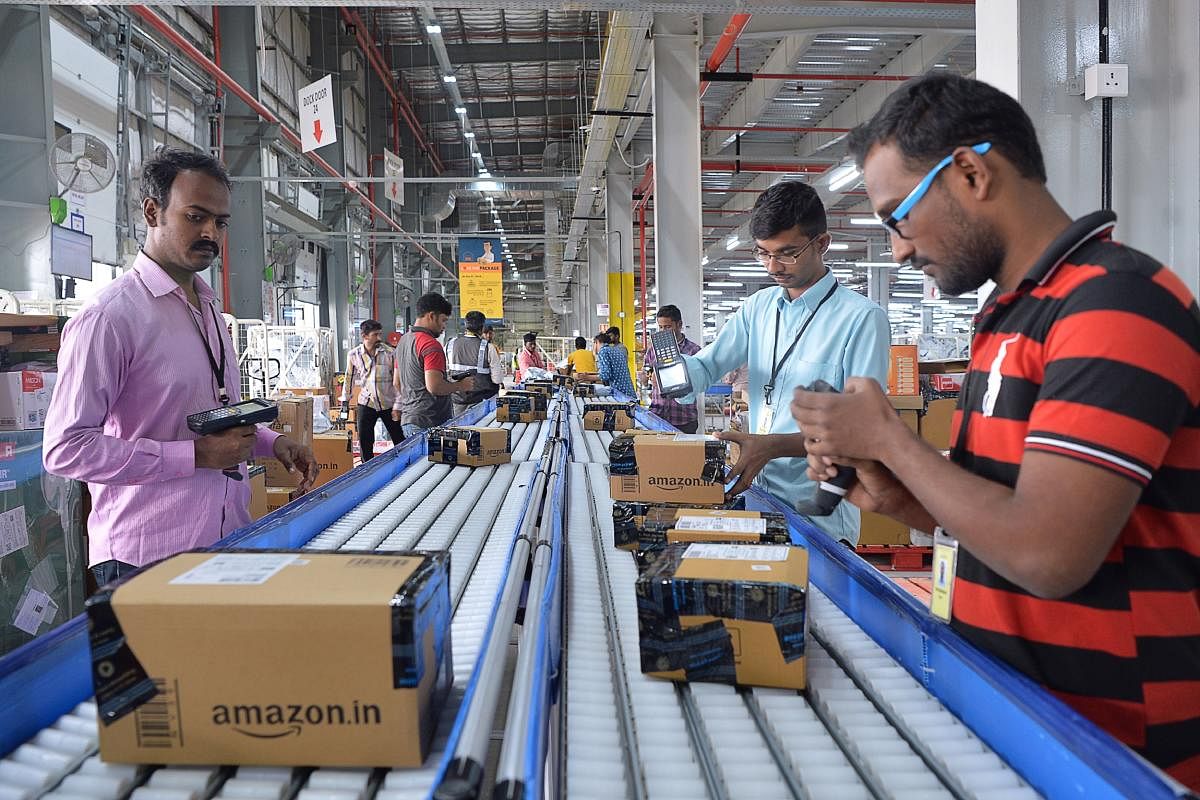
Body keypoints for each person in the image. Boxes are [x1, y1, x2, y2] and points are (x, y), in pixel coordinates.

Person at [790, 74, 1200, 788]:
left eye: (898, 218)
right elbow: (1003, 516)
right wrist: (899, 494)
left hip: (1114, 755)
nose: (897, 252)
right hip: (1021, 720)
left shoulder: (1117, 304)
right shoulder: (1008, 318)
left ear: (972, 174)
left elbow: (1048, 552)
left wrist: (892, 439)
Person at [43, 148, 318, 584]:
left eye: (221, 222)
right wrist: (193, 457)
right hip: (146, 559)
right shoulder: (110, 318)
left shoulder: (208, 309)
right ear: (153, 212)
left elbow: (208, 415)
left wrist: (271, 442)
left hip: (227, 540)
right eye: (195, 216)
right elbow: (65, 449)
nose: (211, 231)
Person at [677, 180, 890, 543]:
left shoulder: (861, 320)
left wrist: (773, 445)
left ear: (821, 243)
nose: (773, 266)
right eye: (763, 253)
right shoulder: (757, 309)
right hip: (757, 499)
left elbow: (864, 430)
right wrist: (675, 374)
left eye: (787, 253)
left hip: (818, 516)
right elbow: (708, 365)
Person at [390, 293, 473, 438]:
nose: (444, 327)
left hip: (409, 421)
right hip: (429, 423)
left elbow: (397, 382)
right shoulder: (430, 344)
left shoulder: (403, 341)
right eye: (443, 320)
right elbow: (435, 387)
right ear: (431, 316)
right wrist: (461, 385)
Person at [339, 319, 403, 462]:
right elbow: (349, 378)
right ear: (364, 336)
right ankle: (366, 470)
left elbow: (398, 381)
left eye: (380, 334)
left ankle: (404, 466)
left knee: (399, 439)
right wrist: (345, 401)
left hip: (389, 404)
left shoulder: (390, 353)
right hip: (366, 403)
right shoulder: (354, 355)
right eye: (375, 335)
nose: (379, 338)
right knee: (365, 442)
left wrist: (399, 405)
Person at [644, 305, 703, 433]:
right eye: (660, 327)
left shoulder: (694, 351)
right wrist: (648, 377)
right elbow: (646, 374)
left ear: (679, 324)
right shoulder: (653, 349)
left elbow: (700, 383)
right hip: (657, 414)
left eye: (668, 327)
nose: (663, 331)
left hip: (684, 417)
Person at [446, 310, 501, 417]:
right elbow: (497, 379)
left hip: (457, 402)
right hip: (482, 404)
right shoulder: (488, 348)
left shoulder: (450, 344)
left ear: (465, 325)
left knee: (458, 430)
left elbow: (444, 374)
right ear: (482, 327)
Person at [597, 330, 637, 398]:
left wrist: (586, 377)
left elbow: (606, 375)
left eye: (611, 335)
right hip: (627, 391)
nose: (610, 337)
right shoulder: (615, 349)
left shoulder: (606, 350)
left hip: (620, 392)